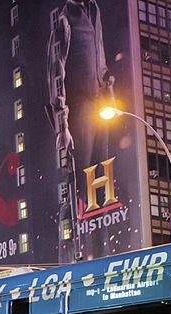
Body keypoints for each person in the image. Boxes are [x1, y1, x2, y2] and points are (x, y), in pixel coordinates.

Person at [47, 0, 115, 256]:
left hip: (100, 106)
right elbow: (56, 73)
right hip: (79, 109)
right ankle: (79, 248)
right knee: (81, 179)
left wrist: (107, 81)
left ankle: (102, 249)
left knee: (102, 178)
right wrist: (63, 123)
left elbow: (100, 55)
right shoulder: (64, 20)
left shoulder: (95, 9)